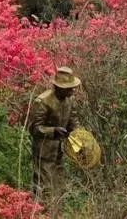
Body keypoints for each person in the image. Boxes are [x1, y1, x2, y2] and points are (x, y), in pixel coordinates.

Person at [28, 67, 81, 201]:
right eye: (69, 88)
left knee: (60, 187)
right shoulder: (43, 101)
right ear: (59, 87)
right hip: (43, 152)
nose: (72, 90)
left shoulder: (70, 100)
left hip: (59, 151)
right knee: (45, 188)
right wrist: (53, 131)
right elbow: (34, 129)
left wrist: (80, 136)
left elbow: (73, 121)